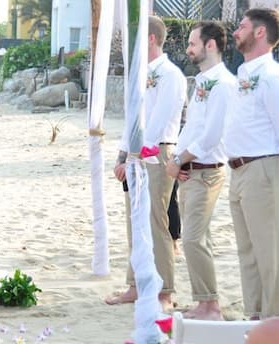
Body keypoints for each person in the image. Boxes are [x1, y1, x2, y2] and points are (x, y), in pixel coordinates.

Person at [106, 16, 187, 310]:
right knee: (133, 222)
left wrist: (134, 155)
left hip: (157, 152)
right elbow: (131, 119)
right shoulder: (137, 74)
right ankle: (135, 284)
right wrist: (123, 155)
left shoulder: (170, 75)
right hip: (135, 155)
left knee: (155, 223)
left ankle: (165, 290)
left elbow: (159, 120)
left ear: (150, 39)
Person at [165, 21, 235, 321]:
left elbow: (211, 136)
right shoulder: (204, 80)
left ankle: (210, 305)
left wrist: (178, 158)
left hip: (206, 172)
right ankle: (204, 302)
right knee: (197, 239)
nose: (188, 49)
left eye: (193, 43)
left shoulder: (223, 84)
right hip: (191, 171)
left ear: (210, 45)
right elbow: (192, 126)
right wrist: (180, 161)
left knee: (192, 239)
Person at [224, 7, 279, 319]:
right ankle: (254, 317)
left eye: (241, 26)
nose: (235, 31)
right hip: (239, 170)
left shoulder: (271, 77)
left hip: (263, 169)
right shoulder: (244, 74)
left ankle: (273, 323)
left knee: (270, 253)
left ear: (260, 32)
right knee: (248, 254)